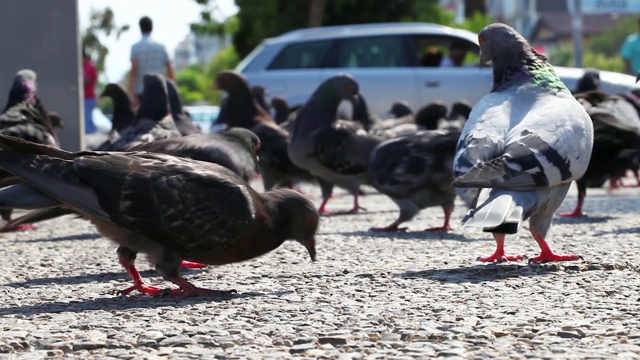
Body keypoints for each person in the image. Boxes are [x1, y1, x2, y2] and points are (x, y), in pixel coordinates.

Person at [127, 16, 175, 106]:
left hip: (142, 91)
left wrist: (131, 93)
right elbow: (170, 70)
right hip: (160, 90)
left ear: (140, 28)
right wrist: (173, 91)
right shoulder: (161, 47)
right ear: (152, 28)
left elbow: (134, 72)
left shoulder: (136, 47)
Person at [83, 47, 98, 134]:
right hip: (87, 97)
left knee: (88, 124)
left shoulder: (88, 65)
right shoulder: (87, 65)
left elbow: (87, 80)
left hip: (88, 97)